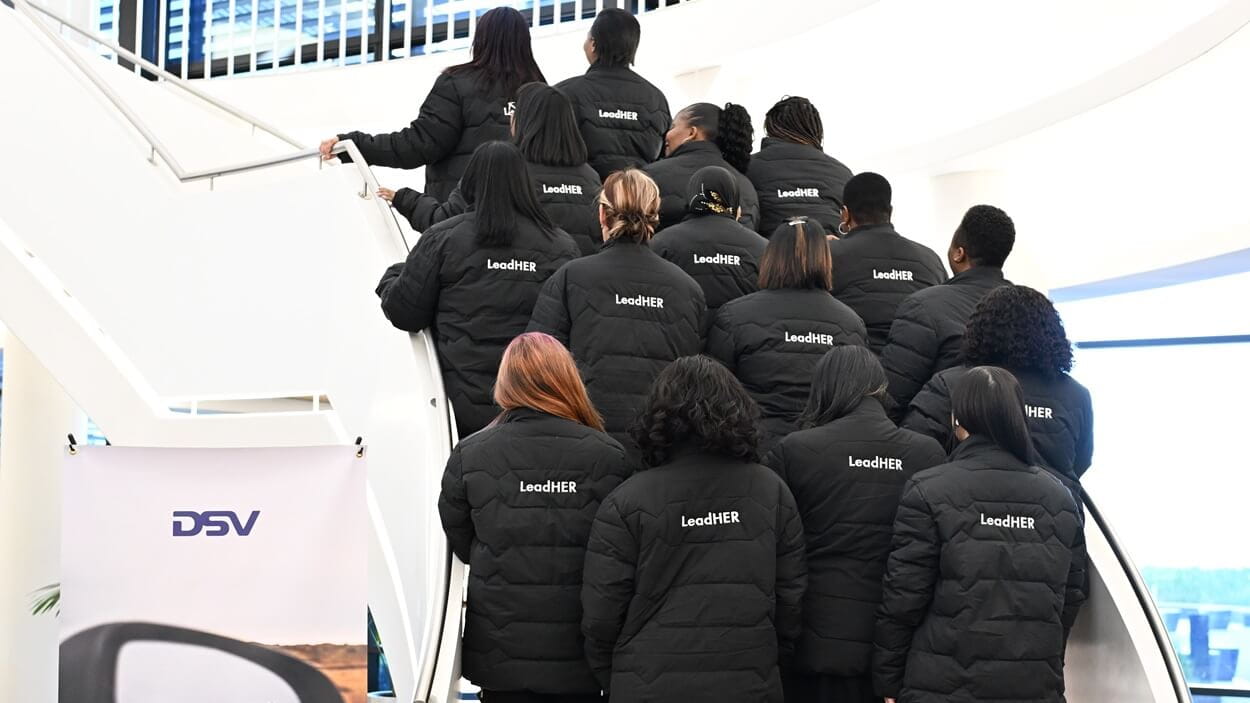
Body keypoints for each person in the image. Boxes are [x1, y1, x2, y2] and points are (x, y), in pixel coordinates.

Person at [581, 356, 806, 703]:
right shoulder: (772, 492)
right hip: (748, 681)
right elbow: (790, 602)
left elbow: (601, 615)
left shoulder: (627, 501)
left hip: (648, 684)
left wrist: (617, 677)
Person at [873, 366, 1087, 703]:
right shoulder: (1060, 499)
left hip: (940, 685)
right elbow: (1070, 596)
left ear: (958, 419)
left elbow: (903, 598)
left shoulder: (928, 490)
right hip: (1032, 685)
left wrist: (887, 681)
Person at [438, 332, 630, 703]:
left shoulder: (470, 454)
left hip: (501, 655)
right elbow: (618, 552)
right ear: (566, 379)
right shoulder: (609, 456)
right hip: (578, 656)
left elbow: (461, 540)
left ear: (505, 382)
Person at [764, 346, 945, 703]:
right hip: (897, 650)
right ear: (880, 388)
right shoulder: (927, 454)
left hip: (813, 642)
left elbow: (773, 547)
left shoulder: (794, 450)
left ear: (824, 388)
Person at [376, 141, 579, 436]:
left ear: (469, 182)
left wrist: (394, 275)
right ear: (524, 183)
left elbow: (405, 313)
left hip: (456, 406)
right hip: (536, 403)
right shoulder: (562, 247)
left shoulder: (443, 238)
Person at [527, 169, 704, 454]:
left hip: (584, 442)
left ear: (602, 215)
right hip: (658, 448)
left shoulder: (571, 277)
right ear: (655, 216)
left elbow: (537, 365)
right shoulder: (688, 289)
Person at [320, 7, 544, 201]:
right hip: (528, 226)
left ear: (481, 39)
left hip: (461, 222)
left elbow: (417, 146)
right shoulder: (544, 93)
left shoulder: (457, 83)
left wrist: (353, 145)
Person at [383, 83, 603, 255]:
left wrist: (406, 200)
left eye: (516, 111)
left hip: (519, 299)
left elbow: (445, 221)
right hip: (577, 303)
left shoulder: (501, 167)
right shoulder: (592, 179)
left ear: (527, 121)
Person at [903, 285, 1094, 482]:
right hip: (1054, 509)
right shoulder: (1076, 394)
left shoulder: (950, 384)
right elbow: (1081, 462)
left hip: (965, 506)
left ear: (981, 328)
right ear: (1052, 333)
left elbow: (913, 450)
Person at [706, 217, 867, 448]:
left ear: (771, 256)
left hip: (754, 450)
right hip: (823, 454)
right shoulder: (852, 323)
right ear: (825, 259)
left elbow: (715, 391)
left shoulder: (734, 315)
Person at [879, 204, 1015, 417]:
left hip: (941, 442)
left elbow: (891, 397)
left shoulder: (923, 306)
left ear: (959, 254)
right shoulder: (1027, 309)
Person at [829, 172, 948, 353]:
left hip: (852, 367)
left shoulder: (830, 255)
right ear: (890, 212)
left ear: (845, 214)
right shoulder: (931, 260)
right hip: (918, 369)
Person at [557, 8, 671, 180]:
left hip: (584, 199)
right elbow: (663, 156)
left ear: (593, 44)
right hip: (639, 200)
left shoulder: (565, 93)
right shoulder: (656, 99)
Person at [649, 165, 768, 317]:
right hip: (740, 338)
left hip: (684, 336)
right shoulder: (763, 249)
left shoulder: (662, 243)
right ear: (736, 206)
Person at [644, 102, 760, 232]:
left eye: (673, 127)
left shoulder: (649, 177)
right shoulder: (745, 185)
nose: (666, 135)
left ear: (692, 133)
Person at [746, 96, 853, 235]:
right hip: (830, 254)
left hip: (770, 252)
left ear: (771, 129)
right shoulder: (842, 174)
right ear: (815, 129)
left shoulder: (747, 168)